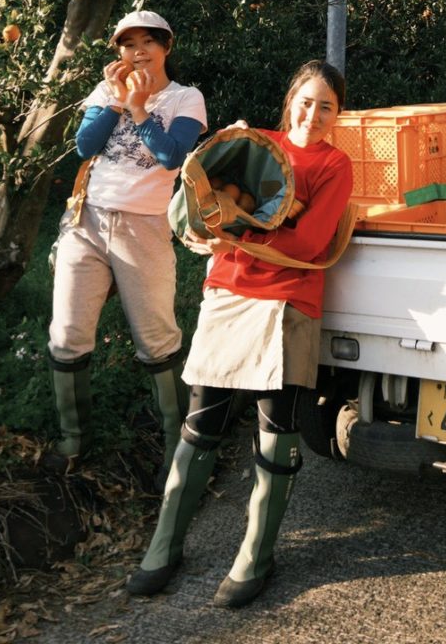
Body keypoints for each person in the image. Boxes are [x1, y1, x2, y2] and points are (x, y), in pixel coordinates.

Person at [126, 58, 353, 609]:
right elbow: (191, 211)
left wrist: (234, 230)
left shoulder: (334, 165)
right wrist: (211, 220)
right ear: (290, 100)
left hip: (289, 303)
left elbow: (309, 245)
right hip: (231, 294)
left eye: (327, 106)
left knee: (275, 430)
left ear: (338, 115)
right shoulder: (253, 144)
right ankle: (164, 547)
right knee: (200, 422)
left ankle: (255, 556)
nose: (314, 114)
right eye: (306, 101)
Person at [45, 10, 207, 490]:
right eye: (127, 44)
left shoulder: (185, 98)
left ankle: (179, 446)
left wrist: (139, 107)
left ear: (166, 47)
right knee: (67, 333)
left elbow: (170, 156)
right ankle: (73, 441)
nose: (136, 52)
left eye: (146, 43)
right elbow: (84, 145)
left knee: (156, 337)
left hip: (143, 228)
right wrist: (118, 101)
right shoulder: (106, 93)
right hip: (87, 221)